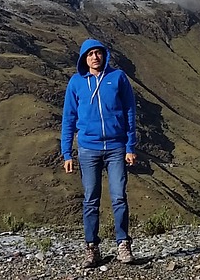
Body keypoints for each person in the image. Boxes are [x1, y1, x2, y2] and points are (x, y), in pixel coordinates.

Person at [61, 37, 138, 267]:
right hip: (88, 149)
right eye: (90, 54)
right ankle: (91, 248)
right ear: (84, 58)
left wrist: (130, 146)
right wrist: (67, 153)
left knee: (118, 197)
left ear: (104, 55)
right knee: (90, 200)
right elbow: (69, 118)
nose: (95, 57)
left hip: (116, 147)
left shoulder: (117, 78)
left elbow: (130, 112)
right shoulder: (76, 83)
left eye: (98, 52)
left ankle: (123, 244)